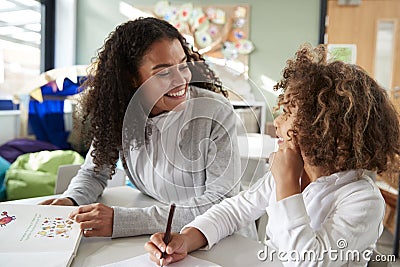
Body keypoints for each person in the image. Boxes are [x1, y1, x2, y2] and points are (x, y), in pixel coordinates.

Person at [145, 44, 400, 266]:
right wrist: (188, 238)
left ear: (325, 128)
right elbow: (236, 210)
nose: (277, 123)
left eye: (288, 113)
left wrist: (288, 184)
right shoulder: (295, 171)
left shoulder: (363, 200)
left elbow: (304, 261)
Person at [40, 17, 255, 239]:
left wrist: (124, 221)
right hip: (161, 236)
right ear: (132, 78)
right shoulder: (120, 114)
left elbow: (219, 203)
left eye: (184, 65)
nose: (181, 80)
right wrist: (71, 199)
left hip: (223, 238)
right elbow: (94, 173)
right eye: (163, 72)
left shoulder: (214, 111)